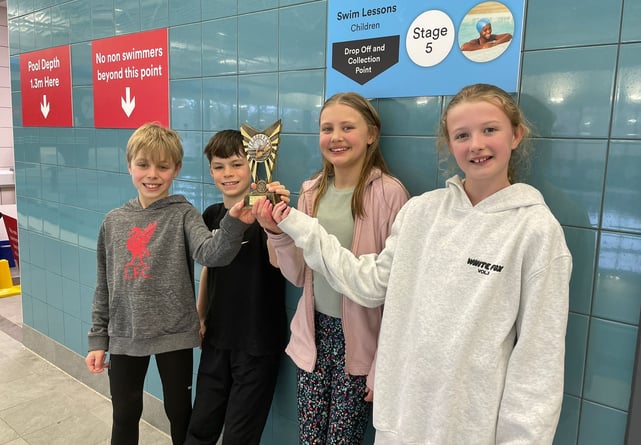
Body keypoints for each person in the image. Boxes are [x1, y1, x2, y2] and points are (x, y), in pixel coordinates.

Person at [257, 84, 572, 444]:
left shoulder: (536, 231)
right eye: (462, 135)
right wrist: (293, 225)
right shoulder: (423, 212)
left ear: (516, 135)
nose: (476, 145)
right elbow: (370, 283)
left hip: (468, 426)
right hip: (402, 420)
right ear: (449, 144)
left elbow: (538, 363)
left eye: (490, 130)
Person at [85, 122, 256, 445]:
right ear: (129, 166)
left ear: (175, 169)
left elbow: (211, 254)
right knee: (124, 414)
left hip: (174, 335)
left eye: (162, 166)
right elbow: (104, 285)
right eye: (143, 165)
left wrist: (233, 224)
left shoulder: (184, 214)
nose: (152, 174)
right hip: (125, 335)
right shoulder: (114, 221)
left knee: (179, 413)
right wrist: (98, 339)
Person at [254, 92, 409, 444]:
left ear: (371, 134)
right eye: (327, 128)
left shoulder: (390, 195)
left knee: (343, 439)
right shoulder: (311, 192)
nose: (335, 137)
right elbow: (296, 274)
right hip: (314, 334)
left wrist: (382, 362)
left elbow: (397, 290)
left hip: (361, 342)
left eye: (347, 127)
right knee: (310, 437)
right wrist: (275, 231)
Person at [184, 130, 288, 445]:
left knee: (240, 436)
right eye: (219, 166)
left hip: (258, 342)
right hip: (217, 337)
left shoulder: (273, 217)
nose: (227, 173)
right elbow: (208, 269)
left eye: (236, 164)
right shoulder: (212, 215)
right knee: (200, 426)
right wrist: (200, 317)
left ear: (254, 166)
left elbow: (281, 265)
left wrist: (273, 221)